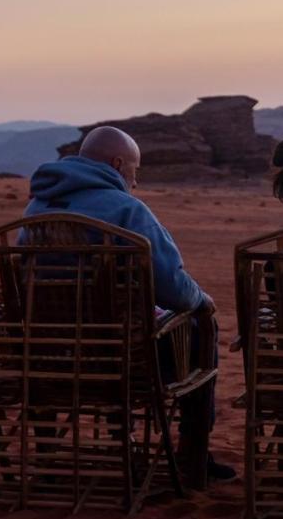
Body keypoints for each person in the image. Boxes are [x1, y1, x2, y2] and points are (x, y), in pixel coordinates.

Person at [24, 125, 236, 482]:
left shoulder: (36, 209)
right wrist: (202, 300)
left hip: (47, 356)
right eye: (135, 173)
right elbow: (170, 283)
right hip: (124, 360)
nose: (135, 183)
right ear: (119, 164)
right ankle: (193, 456)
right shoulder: (126, 210)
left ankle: (48, 458)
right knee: (202, 328)